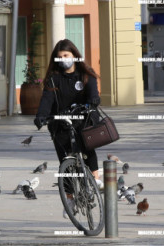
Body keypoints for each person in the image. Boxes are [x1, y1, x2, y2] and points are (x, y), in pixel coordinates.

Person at [34, 39, 103, 218]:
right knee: (65, 162)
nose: (63, 59)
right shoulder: (53, 78)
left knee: (87, 146)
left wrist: (94, 100)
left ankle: (95, 178)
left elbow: (93, 93)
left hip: (83, 118)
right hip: (60, 123)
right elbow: (46, 100)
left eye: (66, 55)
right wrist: (41, 116)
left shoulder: (86, 74)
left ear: (74, 55)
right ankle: (70, 198)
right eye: (59, 57)